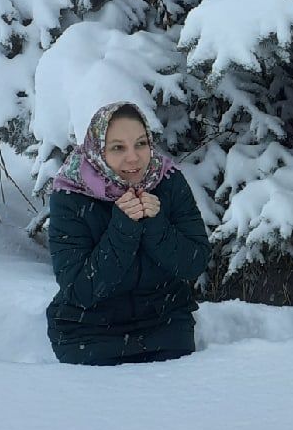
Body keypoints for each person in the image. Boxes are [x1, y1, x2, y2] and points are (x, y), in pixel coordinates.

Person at [45, 101, 211, 366]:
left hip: (165, 327)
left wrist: (156, 225)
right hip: (89, 334)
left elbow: (194, 263)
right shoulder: (71, 194)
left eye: (141, 144)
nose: (133, 158)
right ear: (98, 151)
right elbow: (79, 290)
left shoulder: (167, 181)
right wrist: (123, 229)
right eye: (117, 147)